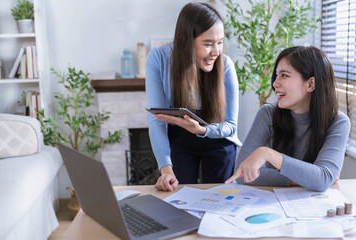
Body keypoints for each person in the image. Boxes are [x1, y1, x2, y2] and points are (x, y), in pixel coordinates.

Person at [225, 46, 350, 192]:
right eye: (277, 75)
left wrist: (268, 154)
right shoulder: (267, 114)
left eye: (284, 75)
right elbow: (242, 174)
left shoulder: (338, 122)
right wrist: (305, 179)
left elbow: (322, 179)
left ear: (310, 84)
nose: (275, 83)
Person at [146, 2, 241, 191]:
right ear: (187, 41)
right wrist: (166, 169)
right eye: (208, 44)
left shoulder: (226, 65)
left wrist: (202, 130)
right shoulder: (159, 58)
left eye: (220, 42)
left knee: (219, 199)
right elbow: (156, 119)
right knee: (178, 199)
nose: (216, 52)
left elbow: (231, 126)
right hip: (179, 139)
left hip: (217, 138)